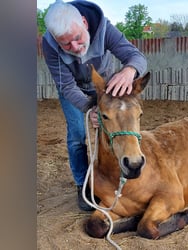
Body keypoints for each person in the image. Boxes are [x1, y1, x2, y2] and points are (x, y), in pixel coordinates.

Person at [42, 0, 147, 211]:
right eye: (65, 44)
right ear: (55, 40)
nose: (74, 48)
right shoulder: (48, 45)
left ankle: (114, 174)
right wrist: (89, 109)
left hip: (106, 87)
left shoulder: (104, 28)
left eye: (77, 38)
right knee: (78, 135)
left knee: (113, 130)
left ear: (84, 23)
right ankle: (83, 185)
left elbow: (136, 56)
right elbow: (66, 85)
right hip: (74, 90)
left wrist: (129, 71)